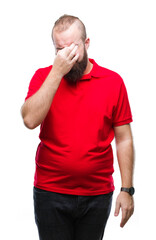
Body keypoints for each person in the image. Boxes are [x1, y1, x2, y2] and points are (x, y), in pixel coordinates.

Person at [21, 14, 135, 240]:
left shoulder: (113, 82)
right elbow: (29, 120)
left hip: (97, 194)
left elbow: (124, 139)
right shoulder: (44, 76)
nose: (66, 56)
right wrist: (57, 71)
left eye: (72, 48)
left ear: (87, 43)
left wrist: (127, 189)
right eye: (59, 50)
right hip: (50, 192)